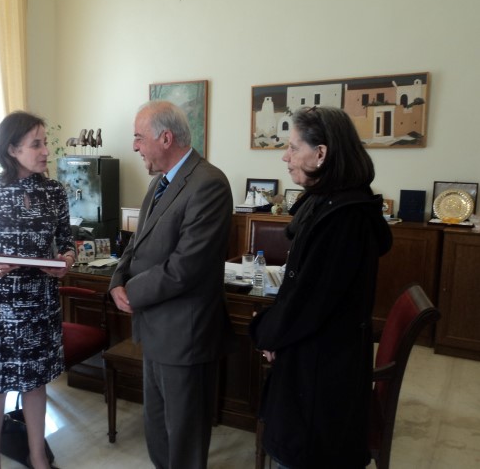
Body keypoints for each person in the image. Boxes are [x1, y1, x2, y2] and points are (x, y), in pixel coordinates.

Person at [249, 106, 393, 469]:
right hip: (312, 359)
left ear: (321, 153)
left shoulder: (344, 217)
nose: (285, 156)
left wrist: (268, 334)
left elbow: (309, 302)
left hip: (321, 376)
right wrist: (276, 334)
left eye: (293, 147)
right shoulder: (328, 201)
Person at [109, 100, 234, 469]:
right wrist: (117, 280)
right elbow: (137, 242)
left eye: (138, 137)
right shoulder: (159, 183)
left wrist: (132, 291)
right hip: (154, 331)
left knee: (184, 439)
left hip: (186, 336)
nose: (134, 146)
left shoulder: (209, 183)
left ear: (165, 138)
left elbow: (185, 267)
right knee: (158, 432)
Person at [0, 111, 76, 469]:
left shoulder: (54, 193)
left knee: (35, 384)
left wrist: (65, 261)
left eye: (45, 143)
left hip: (40, 304)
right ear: (12, 149)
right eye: (36, 144)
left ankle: (38, 457)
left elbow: (67, 243)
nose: (45, 151)